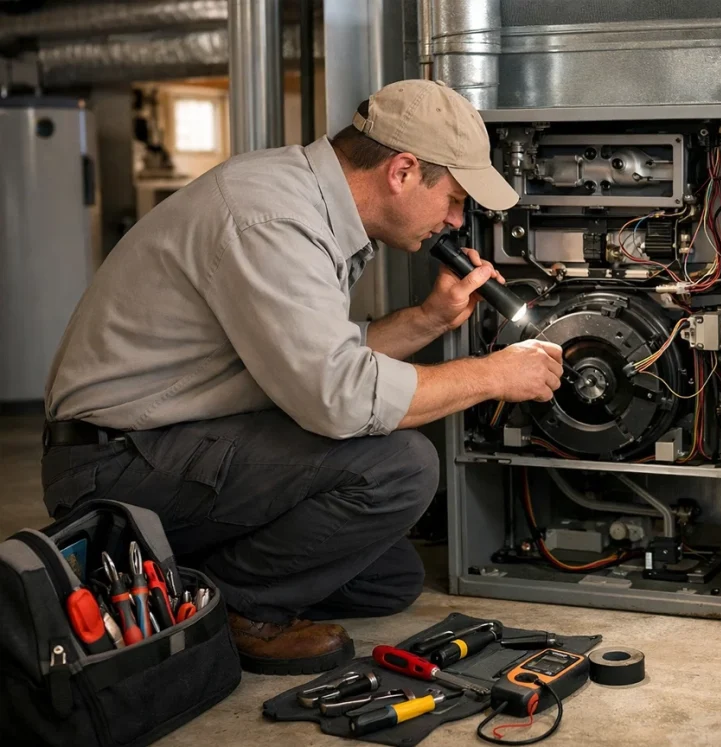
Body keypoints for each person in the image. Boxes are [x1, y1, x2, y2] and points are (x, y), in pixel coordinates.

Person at [40, 79, 563, 674]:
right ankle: (234, 609)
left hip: (173, 442)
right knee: (400, 467)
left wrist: (429, 319)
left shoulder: (302, 198)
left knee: (389, 579)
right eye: (454, 198)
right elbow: (339, 397)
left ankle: (174, 580)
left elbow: (317, 359)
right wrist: (494, 375)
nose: (454, 219)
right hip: (113, 465)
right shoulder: (273, 218)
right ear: (403, 171)